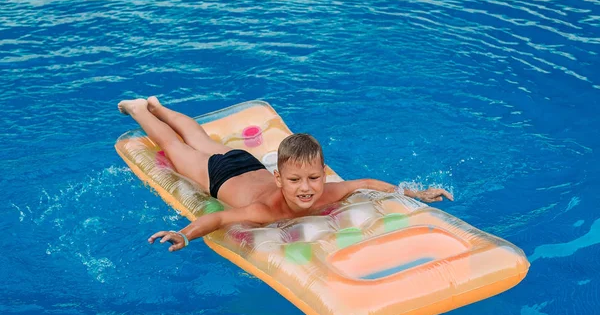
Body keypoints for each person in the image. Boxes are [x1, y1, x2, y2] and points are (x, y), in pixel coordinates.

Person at [118, 97, 454, 252]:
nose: (306, 189)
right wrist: (186, 234)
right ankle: (140, 108)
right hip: (217, 174)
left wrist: (415, 193)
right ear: (279, 179)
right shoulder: (266, 211)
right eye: (295, 181)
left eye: (313, 178)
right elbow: (219, 221)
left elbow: (366, 183)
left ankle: (159, 106)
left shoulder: (329, 191)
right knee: (174, 146)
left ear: (323, 174)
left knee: (201, 138)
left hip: (247, 163)